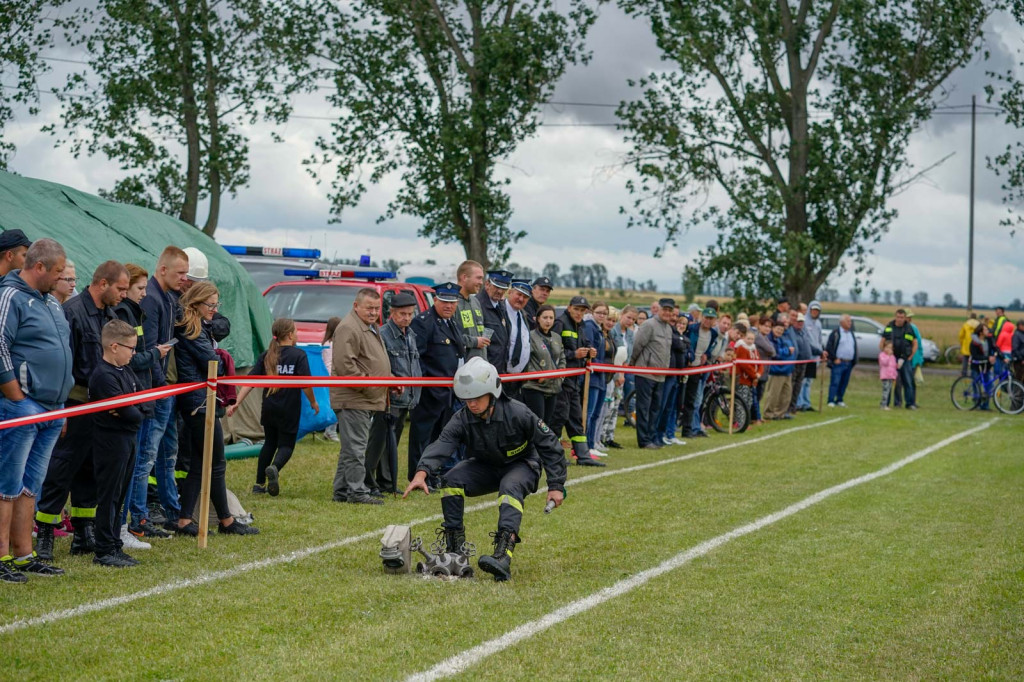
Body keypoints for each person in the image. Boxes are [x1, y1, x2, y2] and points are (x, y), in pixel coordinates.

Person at [403, 357, 567, 582]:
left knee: (510, 488)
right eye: (467, 398)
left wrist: (556, 485)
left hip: (523, 465)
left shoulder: (518, 413)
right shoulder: (462, 418)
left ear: (493, 393)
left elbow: (549, 444)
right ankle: (456, 551)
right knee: (451, 481)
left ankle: (502, 556)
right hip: (486, 466)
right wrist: (422, 472)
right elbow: (443, 444)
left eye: (477, 397)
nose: (471, 404)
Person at [35, 260, 128, 560]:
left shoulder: (109, 315)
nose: (124, 295)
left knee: (91, 470)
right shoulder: (72, 313)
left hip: (100, 407)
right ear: (103, 284)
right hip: (75, 404)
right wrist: (61, 408)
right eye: (121, 289)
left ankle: (83, 530)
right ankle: (46, 531)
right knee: (62, 469)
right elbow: (62, 364)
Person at [0, 238, 72, 582]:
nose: (62, 279)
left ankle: (22, 554)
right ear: (38, 267)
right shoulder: (10, 296)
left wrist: (61, 404)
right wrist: (15, 395)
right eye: (58, 272)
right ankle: (1, 556)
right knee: (7, 484)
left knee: (32, 485)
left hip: (51, 408)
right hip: (22, 406)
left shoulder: (52, 303)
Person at [173, 281, 258, 535]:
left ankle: (185, 520)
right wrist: (221, 357)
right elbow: (213, 363)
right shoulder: (191, 329)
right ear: (196, 304)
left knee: (200, 463)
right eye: (210, 305)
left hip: (201, 400)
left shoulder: (200, 326)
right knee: (217, 462)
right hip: (198, 403)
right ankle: (226, 521)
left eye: (216, 304)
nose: (214, 309)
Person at [114, 263, 173, 548]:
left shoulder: (137, 311)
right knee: (135, 463)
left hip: (143, 394)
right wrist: (154, 356)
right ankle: (129, 523)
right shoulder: (124, 314)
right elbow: (131, 358)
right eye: (138, 289)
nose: (142, 294)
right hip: (134, 396)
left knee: (138, 462)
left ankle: (130, 521)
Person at [229, 318, 318, 497]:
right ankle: (274, 468)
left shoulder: (266, 354)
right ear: (291, 334)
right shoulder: (298, 355)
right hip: (289, 408)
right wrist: (313, 402)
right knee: (286, 445)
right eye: (296, 331)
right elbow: (306, 384)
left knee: (269, 443)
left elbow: (250, 381)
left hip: (269, 407)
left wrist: (237, 401)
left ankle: (258, 484)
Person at [138, 246, 189, 532]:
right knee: (147, 456)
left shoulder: (170, 297)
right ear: (163, 270)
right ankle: (142, 515)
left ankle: (173, 509)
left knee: (168, 455)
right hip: (157, 389)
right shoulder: (153, 300)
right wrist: (160, 388)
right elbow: (150, 349)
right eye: (180, 273)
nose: (185, 278)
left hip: (167, 389)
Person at [90, 320, 146, 568]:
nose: (133, 353)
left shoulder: (126, 371)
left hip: (128, 439)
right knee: (110, 496)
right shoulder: (103, 375)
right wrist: (132, 409)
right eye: (130, 348)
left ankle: (114, 544)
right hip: (110, 441)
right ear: (114, 346)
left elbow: (145, 403)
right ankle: (103, 549)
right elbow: (131, 413)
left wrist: (132, 408)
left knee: (121, 495)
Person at [330, 288, 391, 505]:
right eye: (369, 308)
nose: (374, 312)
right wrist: (370, 384)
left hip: (365, 397)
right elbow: (345, 365)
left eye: (377, 308)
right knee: (356, 448)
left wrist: (389, 382)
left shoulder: (369, 327)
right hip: (354, 398)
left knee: (351, 447)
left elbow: (373, 360)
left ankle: (342, 490)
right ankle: (357, 492)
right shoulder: (349, 327)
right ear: (356, 306)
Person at [365, 292, 421, 494]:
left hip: (407, 397)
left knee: (392, 442)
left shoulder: (410, 334)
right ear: (392, 313)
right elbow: (379, 366)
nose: (407, 318)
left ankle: (387, 482)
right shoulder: (383, 335)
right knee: (378, 441)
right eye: (403, 314)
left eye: (410, 314)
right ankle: (369, 481)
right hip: (389, 396)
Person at [408, 283, 465, 480]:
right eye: (444, 302)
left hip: (448, 391)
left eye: (453, 302)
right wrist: (426, 387)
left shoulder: (452, 322)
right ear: (436, 300)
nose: (449, 306)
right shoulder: (424, 322)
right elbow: (417, 358)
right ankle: (417, 475)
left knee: (440, 439)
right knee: (422, 437)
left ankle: (432, 474)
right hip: (429, 392)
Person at [551, 296, 603, 465]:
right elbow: (552, 352)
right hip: (561, 381)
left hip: (575, 381)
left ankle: (583, 456)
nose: (579, 313)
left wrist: (590, 352)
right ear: (569, 307)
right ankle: (554, 455)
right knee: (559, 418)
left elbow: (586, 344)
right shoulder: (560, 323)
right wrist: (574, 354)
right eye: (577, 309)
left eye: (582, 310)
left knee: (576, 418)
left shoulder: (580, 326)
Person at [629, 298, 674, 449]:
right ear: (659, 309)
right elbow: (637, 346)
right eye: (665, 309)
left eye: (670, 310)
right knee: (644, 408)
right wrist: (634, 364)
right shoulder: (649, 325)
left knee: (656, 408)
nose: (667, 313)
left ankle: (652, 437)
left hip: (660, 375)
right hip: (645, 373)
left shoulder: (668, 328)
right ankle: (643, 440)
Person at [521, 304, 564, 424]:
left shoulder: (557, 338)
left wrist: (561, 376)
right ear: (537, 318)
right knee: (536, 422)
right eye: (545, 317)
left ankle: (542, 444)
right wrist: (536, 376)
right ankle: (532, 443)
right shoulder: (530, 336)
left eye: (551, 318)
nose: (548, 321)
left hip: (553, 387)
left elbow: (562, 358)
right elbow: (524, 360)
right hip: (534, 387)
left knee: (547, 423)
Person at [681, 306, 719, 438]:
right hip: (686, 366)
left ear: (714, 320)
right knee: (680, 398)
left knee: (692, 400)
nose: (707, 321)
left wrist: (706, 355)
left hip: (697, 369)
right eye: (706, 317)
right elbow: (684, 343)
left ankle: (687, 429)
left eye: (711, 318)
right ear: (702, 317)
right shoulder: (692, 329)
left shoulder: (713, 334)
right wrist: (688, 357)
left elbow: (710, 348)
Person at [655, 305, 687, 447]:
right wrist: (681, 342)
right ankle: (656, 434)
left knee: (671, 406)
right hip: (665, 373)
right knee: (661, 406)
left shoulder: (674, 330)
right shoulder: (666, 329)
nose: (674, 318)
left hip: (675, 374)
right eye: (672, 315)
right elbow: (678, 344)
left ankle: (664, 434)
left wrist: (681, 342)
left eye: (676, 315)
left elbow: (685, 345)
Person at [582, 300, 610, 455]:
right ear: (592, 312)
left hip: (601, 376)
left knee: (597, 413)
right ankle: (586, 445)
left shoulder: (599, 329)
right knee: (589, 413)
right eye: (599, 312)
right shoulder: (589, 327)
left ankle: (592, 444)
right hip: (593, 377)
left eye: (604, 313)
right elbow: (591, 352)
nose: (602, 316)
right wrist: (600, 366)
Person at [881, 309, 918, 410]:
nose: (900, 319)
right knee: (889, 382)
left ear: (905, 318)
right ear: (895, 316)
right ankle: (886, 403)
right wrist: (884, 354)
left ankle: (910, 403)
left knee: (908, 381)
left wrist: (910, 356)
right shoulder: (889, 327)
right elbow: (883, 341)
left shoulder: (909, 328)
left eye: (902, 317)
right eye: (898, 317)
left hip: (905, 360)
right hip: (891, 359)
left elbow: (915, 343)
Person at [477, 269, 512, 374]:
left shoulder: (500, 305)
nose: (500, 291)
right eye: (497, 287)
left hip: (499, 369)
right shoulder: (478, 305)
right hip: (484, 370)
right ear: (487, 284)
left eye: (503, 288)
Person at [504, 279, 533, 399]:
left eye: (525, 297)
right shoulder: (500, 311)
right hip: (502, 377)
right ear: (510, 292)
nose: (521, 299)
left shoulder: (523, 315)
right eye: (519, 294)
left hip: (517, 380)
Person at [455, 260, 488, 361]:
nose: (481, 283)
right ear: (464, 277)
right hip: (462, 369)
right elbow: (450, 337)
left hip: (480, 366)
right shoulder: (451, 303)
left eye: (482, 279)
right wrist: (474, 342)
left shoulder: (475, 301)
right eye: (478, 278)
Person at [762, 318, 795, 420]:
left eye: (781, 330)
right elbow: (776, 353)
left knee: (786, 394)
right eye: (777, 329)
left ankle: (780, 413)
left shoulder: (781, 339)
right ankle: (768, 414)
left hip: (786, 370)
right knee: (773, 394)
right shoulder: (769, 339)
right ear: (773, 328)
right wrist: (788, 352)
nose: (779, 331)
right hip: (776, 371)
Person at [825, 314, 857, 407]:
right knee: (835, 381)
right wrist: (834, 358)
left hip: (849, 362)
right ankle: (831, 400)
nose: (850, 323)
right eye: (848, 321)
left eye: (850, 321)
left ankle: (839, 399)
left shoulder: (851, 333)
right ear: (841, 322)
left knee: (844, 382)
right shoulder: (835, 333)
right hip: (839, 362)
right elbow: (829, 347)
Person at [319, 316, 342, 443]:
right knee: (334, 406)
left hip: (333, 379)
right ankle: (330, 430)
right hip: (332, 380)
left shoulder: (330, 343)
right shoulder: (330, 344)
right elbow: (328, 363)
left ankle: (331, 430)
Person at [733, 325, 762, 425]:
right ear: (744, 338)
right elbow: (745, 365)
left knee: (749, 401)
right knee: (742, 401)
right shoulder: (742, 348)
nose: (750, 341)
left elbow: (759, 363)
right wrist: (754, 375)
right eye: (748, 338)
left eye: (752, 339)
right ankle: (739, 422)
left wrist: (758, 374)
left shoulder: (754, 349)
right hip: (743, 379)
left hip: (751, 380)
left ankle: (745, 421)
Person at [788, 312, 812, 415]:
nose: (800, 323)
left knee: (798, 386)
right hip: (795, 363)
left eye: (802, 322)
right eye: (798, 321)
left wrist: (820, 352)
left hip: (803, 363)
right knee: (791, 385)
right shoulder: (791, 332)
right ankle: (788, 407)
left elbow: (809, 346)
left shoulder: (803, 332)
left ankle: (793, 407)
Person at [970, 324, 996, 410]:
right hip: (976, 366)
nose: (987, 331)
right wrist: (988, 358)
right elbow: (975, 356)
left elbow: (995, 348)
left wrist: (1000, 356)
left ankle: (985, 405)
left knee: (989, 385)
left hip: (986, 366)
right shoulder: (974, 343)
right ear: (981, 332)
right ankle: (977, 404)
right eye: (985, 330)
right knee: (977, 385)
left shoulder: (988, 340)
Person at [959, 312, 980, 377]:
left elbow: (961, 335)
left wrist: (961, 343)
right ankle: (973, 374)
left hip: (966, 345)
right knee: (974, 361)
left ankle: (964, 374)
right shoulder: (979, 324)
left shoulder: (966, 324)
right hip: (975, 344)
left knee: (965, 361)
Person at [878, 341, 898, 410]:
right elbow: (884, 363)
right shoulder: (882, 355)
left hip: (891, 376)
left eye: (890, 348)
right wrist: (888, 356)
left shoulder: (893, 357)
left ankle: (884, 404)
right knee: (885, 391)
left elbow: (894, 367)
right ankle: (883, 405)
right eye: (887, 347)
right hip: (885, 376)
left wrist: (895, 375)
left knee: (888, 390)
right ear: (883, 348)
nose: (888, 349)